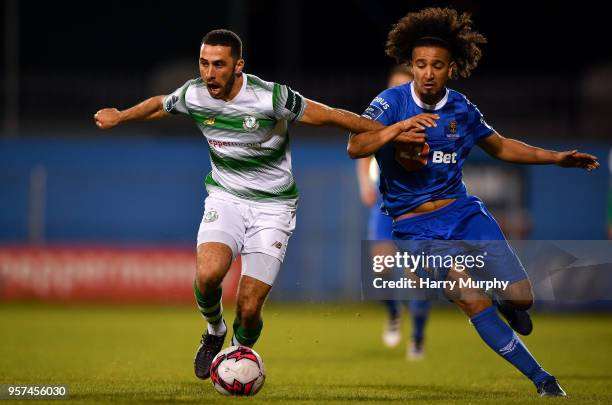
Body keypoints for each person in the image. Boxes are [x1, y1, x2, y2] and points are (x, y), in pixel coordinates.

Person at [94, 29, 393, 380]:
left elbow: (330, 115)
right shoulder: (194, 94)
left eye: (218, 65)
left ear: (238, 66)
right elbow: (160, 104)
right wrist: (121, 115)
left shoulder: (270, 98)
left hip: (274, 208)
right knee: (208, 275)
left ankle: (238, 352)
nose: (209, 73)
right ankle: (215, 331)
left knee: (249, 307)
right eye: (204, 63)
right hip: (226, 198)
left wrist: (391, 131)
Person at [348, 8, 599, 397]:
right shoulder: (390, 102)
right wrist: (396, 130)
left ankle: (509, 305)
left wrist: (556, 157)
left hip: (464, 215)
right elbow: (355, 145)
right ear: (411, 67)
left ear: (452, 68)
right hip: (413, 228)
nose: (427, 73)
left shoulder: (461, 109)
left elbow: (500, 146)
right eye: (420, 65)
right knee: (466, 294)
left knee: (522, 297)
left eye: (437, 65)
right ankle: (543, 379)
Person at [356, 64, 431, 359]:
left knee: (416, 277)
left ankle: (417, 339)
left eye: (404, 87)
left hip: (416, 208)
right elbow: (362, 149)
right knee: (380, 269)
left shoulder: (427, 122)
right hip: (384, 205)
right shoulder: (382, 116)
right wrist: (364, 182)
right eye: (394, 87)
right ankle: (393, 312)